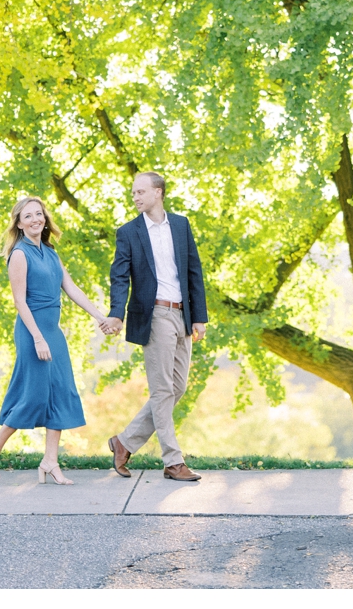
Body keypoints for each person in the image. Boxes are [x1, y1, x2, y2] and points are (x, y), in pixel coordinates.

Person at [0, 195, 118, 484]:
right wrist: (38, 338)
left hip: (54, 332)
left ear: (45, 218)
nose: (35, 219)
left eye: (39, 214)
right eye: (28, 216)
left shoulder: (50, 252)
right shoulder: (19, 254)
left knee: (60, 392)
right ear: (19, 223)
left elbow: (71, 288)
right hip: (32, 332)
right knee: (34, 395)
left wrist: (100, 316)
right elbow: (19, 302)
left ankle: (50, 461)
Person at [104, 171, 208, 482]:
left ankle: (124, 442)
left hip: (183, 315)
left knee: (177, 387)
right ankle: (173, 462)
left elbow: (193, 271)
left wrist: (199, 316)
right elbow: (120, 277)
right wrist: (116, 313)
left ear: (158, 192)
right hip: (155, 316)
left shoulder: (180, 224)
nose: (135, 197)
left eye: (140, 192)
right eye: (133, 193)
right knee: (162, 390)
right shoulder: (129, 233)